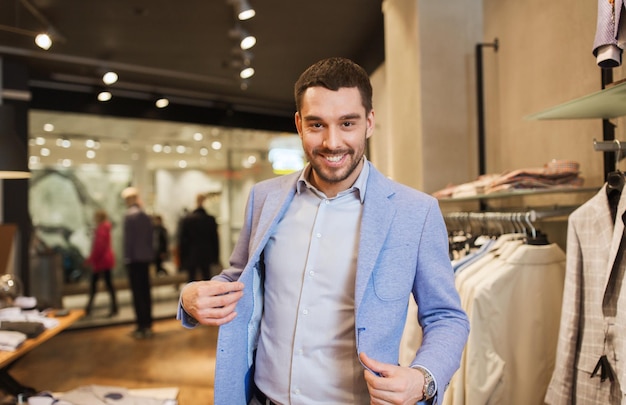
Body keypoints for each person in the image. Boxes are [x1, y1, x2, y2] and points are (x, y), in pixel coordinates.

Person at [178, 57, 469, 404]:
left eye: (347, 123)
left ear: (369, 123)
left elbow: (446, 316)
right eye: (317, 125)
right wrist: (191, 298)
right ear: (299, 124)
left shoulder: (415, 213)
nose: (333, 142)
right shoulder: (264, 198)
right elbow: (237, 279)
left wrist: (424, 379)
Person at [121, 186, 155, 339]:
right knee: (146, 292)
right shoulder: (144, 215)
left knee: (137, 293)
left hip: (134, 260)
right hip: (145, 259)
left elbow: (128, 241)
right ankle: (147, 323)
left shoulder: (130, 216)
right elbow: (150, 238)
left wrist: (127, 258)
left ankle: (141, 325)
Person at [177, 193, 220, 282]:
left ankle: (191, 295)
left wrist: (182, 258)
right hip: (207, 253)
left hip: (191, 253)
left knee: (191, 278)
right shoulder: (210, 219)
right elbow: (215, 240)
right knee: (206, 277)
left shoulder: (187, 219)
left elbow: (183, 240)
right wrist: (216, 257)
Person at [84, 209, 118, 317]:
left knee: (96, 285)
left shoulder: (101, 229)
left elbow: (99, 247)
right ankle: (113, 308)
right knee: (108, 285)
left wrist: (91, 259)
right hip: (105, 259)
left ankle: (89, 308)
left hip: (101, 261)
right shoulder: (104, 228)